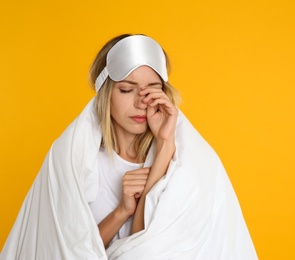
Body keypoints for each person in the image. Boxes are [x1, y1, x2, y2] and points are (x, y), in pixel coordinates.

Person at [0, 34, 258, 259]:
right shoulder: (72, 161)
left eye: (152, 89)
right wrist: (122, 211)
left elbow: (151, 251)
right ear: (105, 94)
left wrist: (165, 145)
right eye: (126, 90)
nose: (140, 102)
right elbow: (63, 250)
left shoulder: (191, 163)